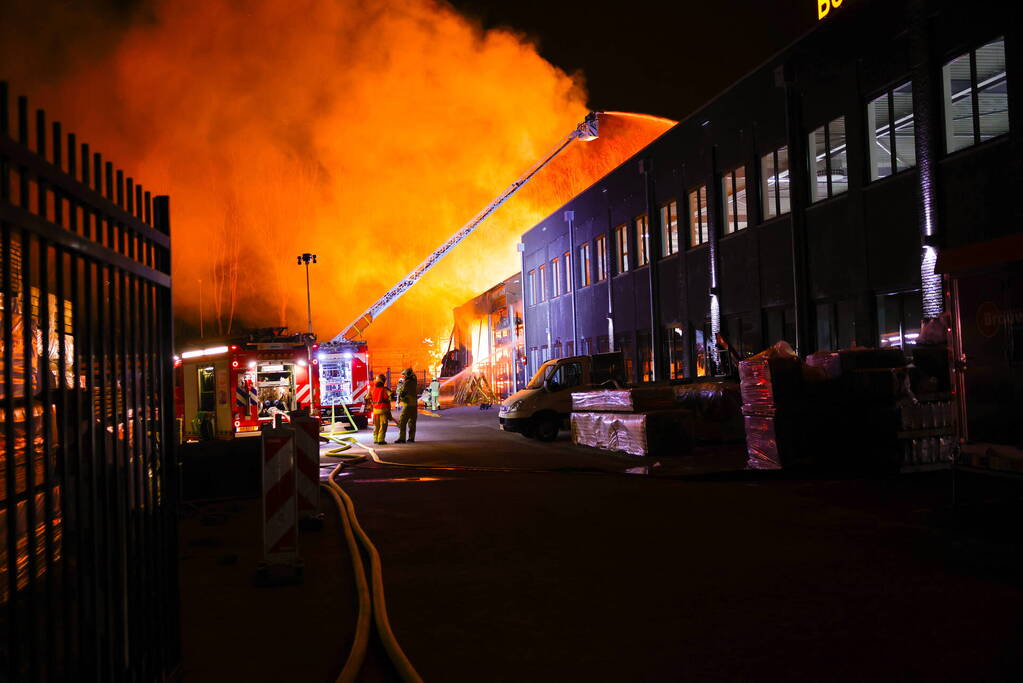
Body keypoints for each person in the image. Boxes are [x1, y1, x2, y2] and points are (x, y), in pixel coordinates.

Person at [395, 367, 418, 443]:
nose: (403, 376)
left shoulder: (407, 383)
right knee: (412, 422)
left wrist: (400, 394)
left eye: (404, 375)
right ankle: (411, 438)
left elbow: (403, 392)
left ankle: (402, 438)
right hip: (414, 405)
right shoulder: (414, 382)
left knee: (402, 421)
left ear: (407, 375)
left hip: (408, 405)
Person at [370, 373, 393, 445]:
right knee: (383, 425)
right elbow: (391, 397)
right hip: (383, 410)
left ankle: (375, 439)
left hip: (375, 410)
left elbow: (367, 398)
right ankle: (381, 440)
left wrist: (370, 406)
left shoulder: (372, 389)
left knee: (376, 425)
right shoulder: (385, 390)